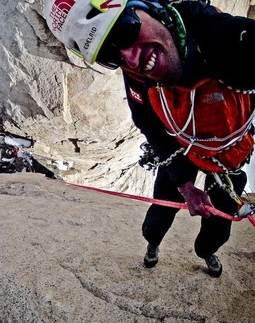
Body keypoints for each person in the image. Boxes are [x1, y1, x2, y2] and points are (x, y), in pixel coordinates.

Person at [44, 0, 255, 277]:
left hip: (229, 158)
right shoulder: (136, 74)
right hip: (182, 151)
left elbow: (239, 42)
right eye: (111, 54)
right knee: (159, 213)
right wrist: (185, 185)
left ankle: (207, 251)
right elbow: (148, 123)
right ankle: (152, 244)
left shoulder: (215, 35)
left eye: (123, 30)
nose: (131, 59)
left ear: (151, 6)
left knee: (218, 227)